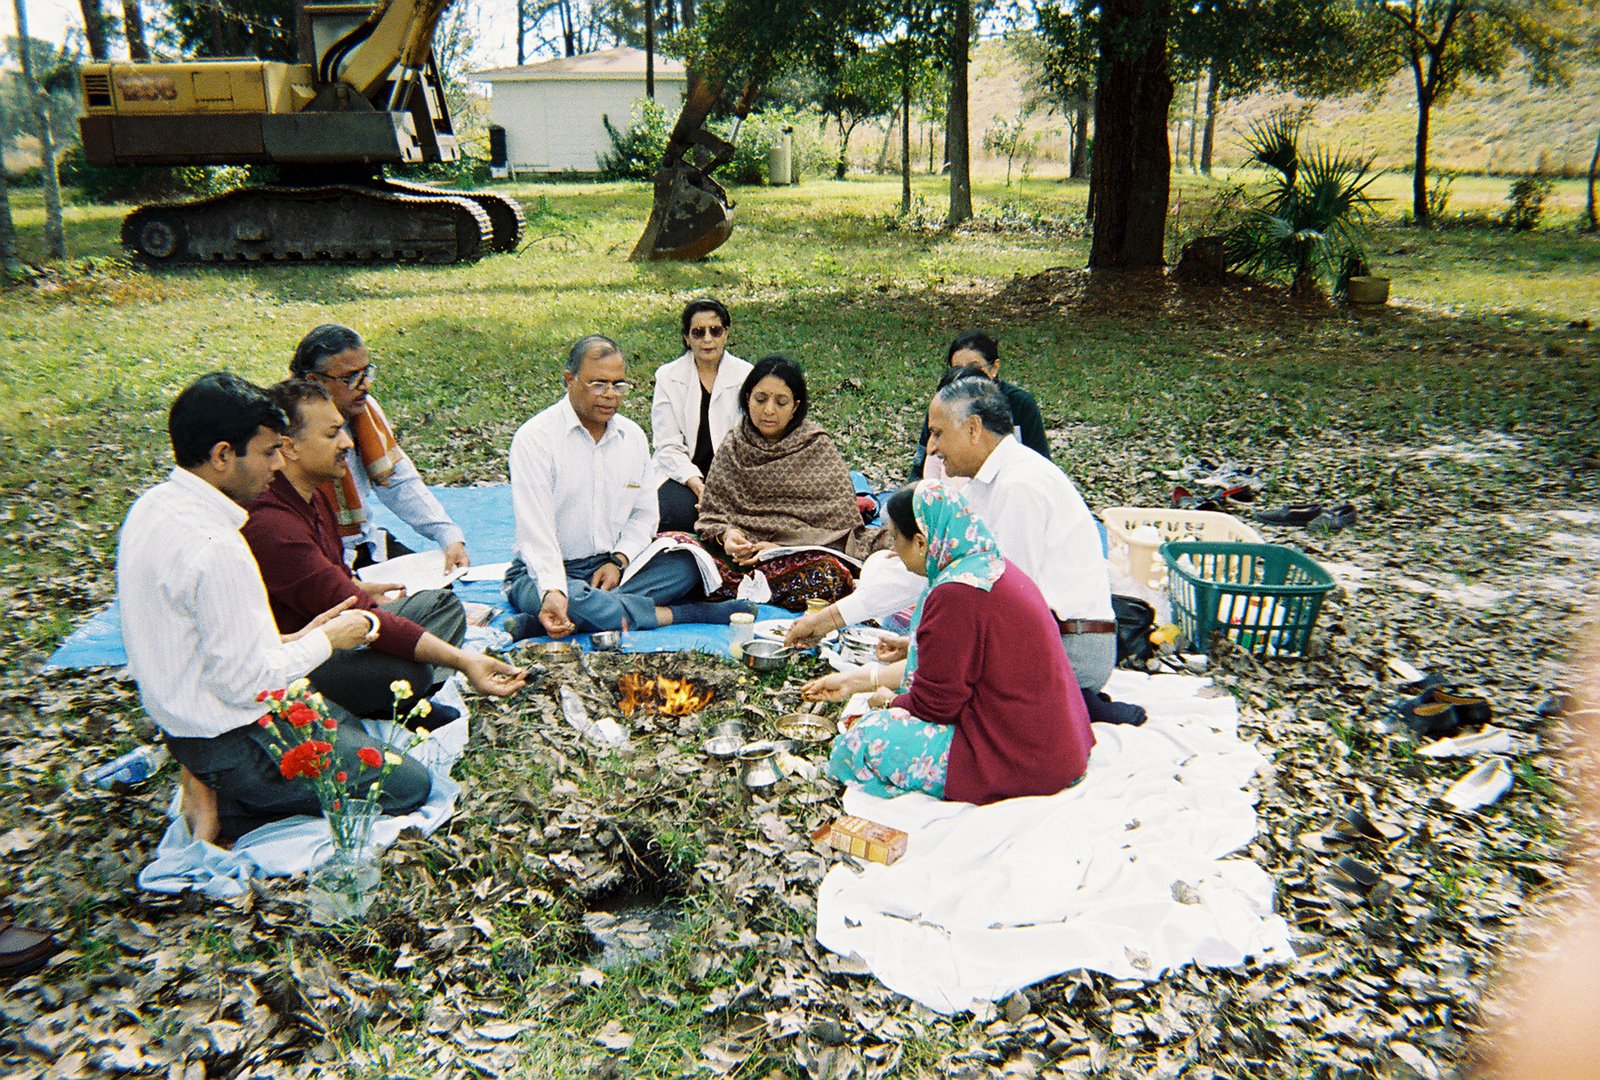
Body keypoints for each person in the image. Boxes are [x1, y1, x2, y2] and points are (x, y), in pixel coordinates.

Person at [117, 373, 431, 844]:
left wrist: (301, 638)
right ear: (223, 455)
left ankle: (219, 782)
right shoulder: (217, 546)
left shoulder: (153, 507)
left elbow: (198, 643)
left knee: (348, 723)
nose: (278, 463)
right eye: (267, 452)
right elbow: (247, 684)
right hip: (232, 738)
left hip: (195, 721)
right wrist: (328, 639)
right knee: (409, 785)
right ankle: (234, 800)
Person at [788, 377, 1141, 725]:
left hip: (1071, 651)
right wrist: (827, 620)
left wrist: (905, 662)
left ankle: (1071, 703)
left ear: (973, 428)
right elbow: (926, 564)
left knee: (943, 691)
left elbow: (1004, 607)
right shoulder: (985, 484)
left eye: (938, 433)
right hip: (1045, 639)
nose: (932, 448)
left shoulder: (1020, 486)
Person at [243, 379, 527, 721]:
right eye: (333, 434)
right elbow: (365, 618)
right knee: (410, 673)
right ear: (289, 447)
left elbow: (330, 582)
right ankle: (388, 702)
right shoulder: (273, 526)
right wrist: (464, 661)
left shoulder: (313, 493)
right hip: (296, 662)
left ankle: (400, 699)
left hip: (341, 626)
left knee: (440, 606)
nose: (347, 443)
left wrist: (358, 587)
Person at [803, 483, 1093, 804]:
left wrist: (887, 702)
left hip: (1021, 758)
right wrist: (914, 647)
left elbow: (935, 706)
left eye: (895, 539)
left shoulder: (955, 593)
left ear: (920, 541)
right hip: (1060, 746)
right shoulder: (988, 564)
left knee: (861, 740)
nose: (894, 552)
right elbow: (975, 653)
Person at [504, 335, 754, 638]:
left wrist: (618, 561)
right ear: (569, 380)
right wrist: (554, 590)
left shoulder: (631, 436)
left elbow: (644, 515)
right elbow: (536, 533)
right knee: (571, 598)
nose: (610, 394)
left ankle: (547, 622)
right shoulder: (535, 439)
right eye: (598, 384)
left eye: (618, 385)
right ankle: (686, 614)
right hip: (546, 571)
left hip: (612, 570)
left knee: (687, 566)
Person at [694, 355, 887, 610]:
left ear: (795, 406)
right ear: (747, 398)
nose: (769, 410)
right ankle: (737, 588)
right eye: (760, 399)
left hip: (799, 558)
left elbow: (841, 527)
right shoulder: (733, 446)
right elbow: (711, 515)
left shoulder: (816, 446)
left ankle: (729, 593)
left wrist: (783, 548)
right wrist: (728, 537)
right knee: (680, 553)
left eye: (781, 402)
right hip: (736, 560)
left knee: (829, 576)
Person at [290, 324, 469, 572]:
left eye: (367, 372)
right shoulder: (284, 427)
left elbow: (398, 481)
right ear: (313, 382)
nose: (365, 385)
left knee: (440, 590)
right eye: (351, 378)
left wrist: (448, 535)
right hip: (315, 557)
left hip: (363, 544)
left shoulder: (366, 410)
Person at [651, 298, 753, 532]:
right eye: (698, 332)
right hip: (681, 474)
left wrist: (721, 486)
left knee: (745, 514)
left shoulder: (746, 375)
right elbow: (668, 446)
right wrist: (697, 485)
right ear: (686, 338)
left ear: (726, 334)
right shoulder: (667, 377)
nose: (708, 339)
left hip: (733, 472)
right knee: (680, 516)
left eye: (715, 331)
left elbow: (748, 440)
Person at [907, 331, 1051, 483]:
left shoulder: (1020, 404)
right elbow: (920, 466)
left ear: (994, 368)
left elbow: (1040, 462)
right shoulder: (945, 405)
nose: (967, 375)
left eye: (975, 368)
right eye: (957, 369)